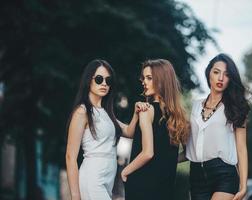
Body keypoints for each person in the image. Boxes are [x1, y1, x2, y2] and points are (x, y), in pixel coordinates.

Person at [65, 59, 147, 200]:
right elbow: (70, 157)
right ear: (88, 81)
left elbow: (129, 132)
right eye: (99, 79)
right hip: (92, 177)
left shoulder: (107, 113)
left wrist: (136, 114)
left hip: (108, 179)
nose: (104, 83)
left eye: (108, 80)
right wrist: (75, 196)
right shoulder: (82, 112)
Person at [182, 53, 250, 200]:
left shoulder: (235, 108)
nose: (220, 78)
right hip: (196, 175)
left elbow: (241, 148)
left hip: (224, 174)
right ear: (209, 74)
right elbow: (190, 146)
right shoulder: (195, 106)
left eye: (226, 74)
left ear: (230, 79)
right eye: (216, 72)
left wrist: (243, 185)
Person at [121, 59, 190, 200]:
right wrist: (165, 160)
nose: (143, 82)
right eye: (143, 78)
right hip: (166, 187)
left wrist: (125, 171)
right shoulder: (178, 117)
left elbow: (147, 153)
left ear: (161, 81)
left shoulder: (147, 110)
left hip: (141, 184)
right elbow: (188, 154)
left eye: (149, 78)